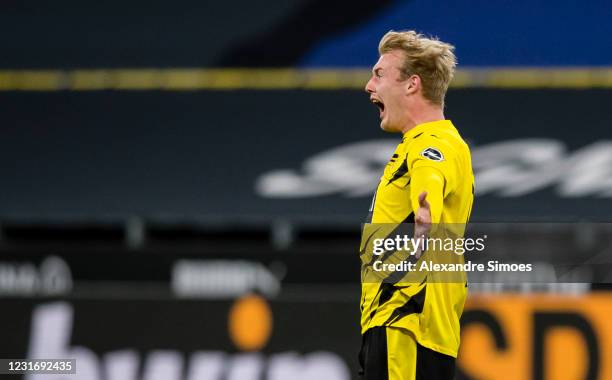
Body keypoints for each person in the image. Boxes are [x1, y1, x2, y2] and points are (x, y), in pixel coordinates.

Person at [359, 30, 475, 380]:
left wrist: (426, 211)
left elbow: (431, 173)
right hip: (405, 324)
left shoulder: (433, 141)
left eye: (379, 74)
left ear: (412, 84)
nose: (368, 85)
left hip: (406, 325)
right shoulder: (426, 142)